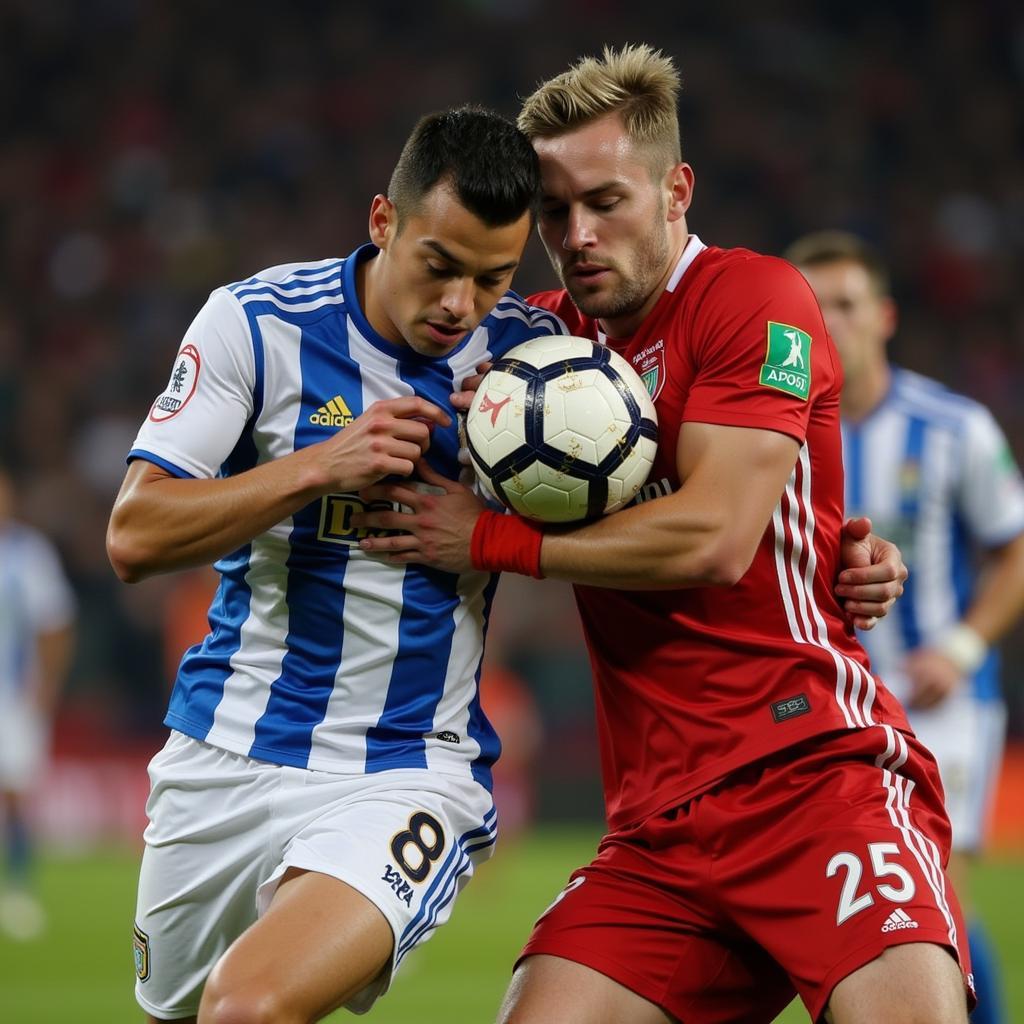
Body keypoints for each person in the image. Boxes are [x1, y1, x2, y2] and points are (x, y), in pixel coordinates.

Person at [108, 102, 902, 1024]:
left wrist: (832, 549)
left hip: (409, 770)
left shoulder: (535, 360)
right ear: (383, 221)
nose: (459, 307)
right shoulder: (255, 324)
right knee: (180, 1009)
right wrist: (321, 465)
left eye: (491, 279)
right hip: (222, 750)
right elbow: (136, 535)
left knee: (248, 1008)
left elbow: (681, 496)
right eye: (439, 268)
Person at [356, 45, 973, 1023]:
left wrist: (490, 539)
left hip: (810, 772)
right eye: (555, 214)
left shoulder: (753, 298)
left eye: (607, 202)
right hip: (658, 822)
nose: (578, 234)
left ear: (675, 188)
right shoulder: (537, 350)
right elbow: (392, 322)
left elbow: (716, 539)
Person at [785, 230, 1024, 1024]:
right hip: (829, 703)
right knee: (877, 900)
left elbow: (1015, 544)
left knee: (928, 887)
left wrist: (962, 647)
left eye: (847, 305)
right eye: (813, 310)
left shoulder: (954, 427)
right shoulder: (773, 438)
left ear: (884, 315)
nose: (833, 324)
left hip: (936, 701)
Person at [0, 466, 76, 941]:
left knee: (14, 792)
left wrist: (46, 685)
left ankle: (18, 888)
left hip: (11, 696)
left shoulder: (27, 555)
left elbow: (54, 623)